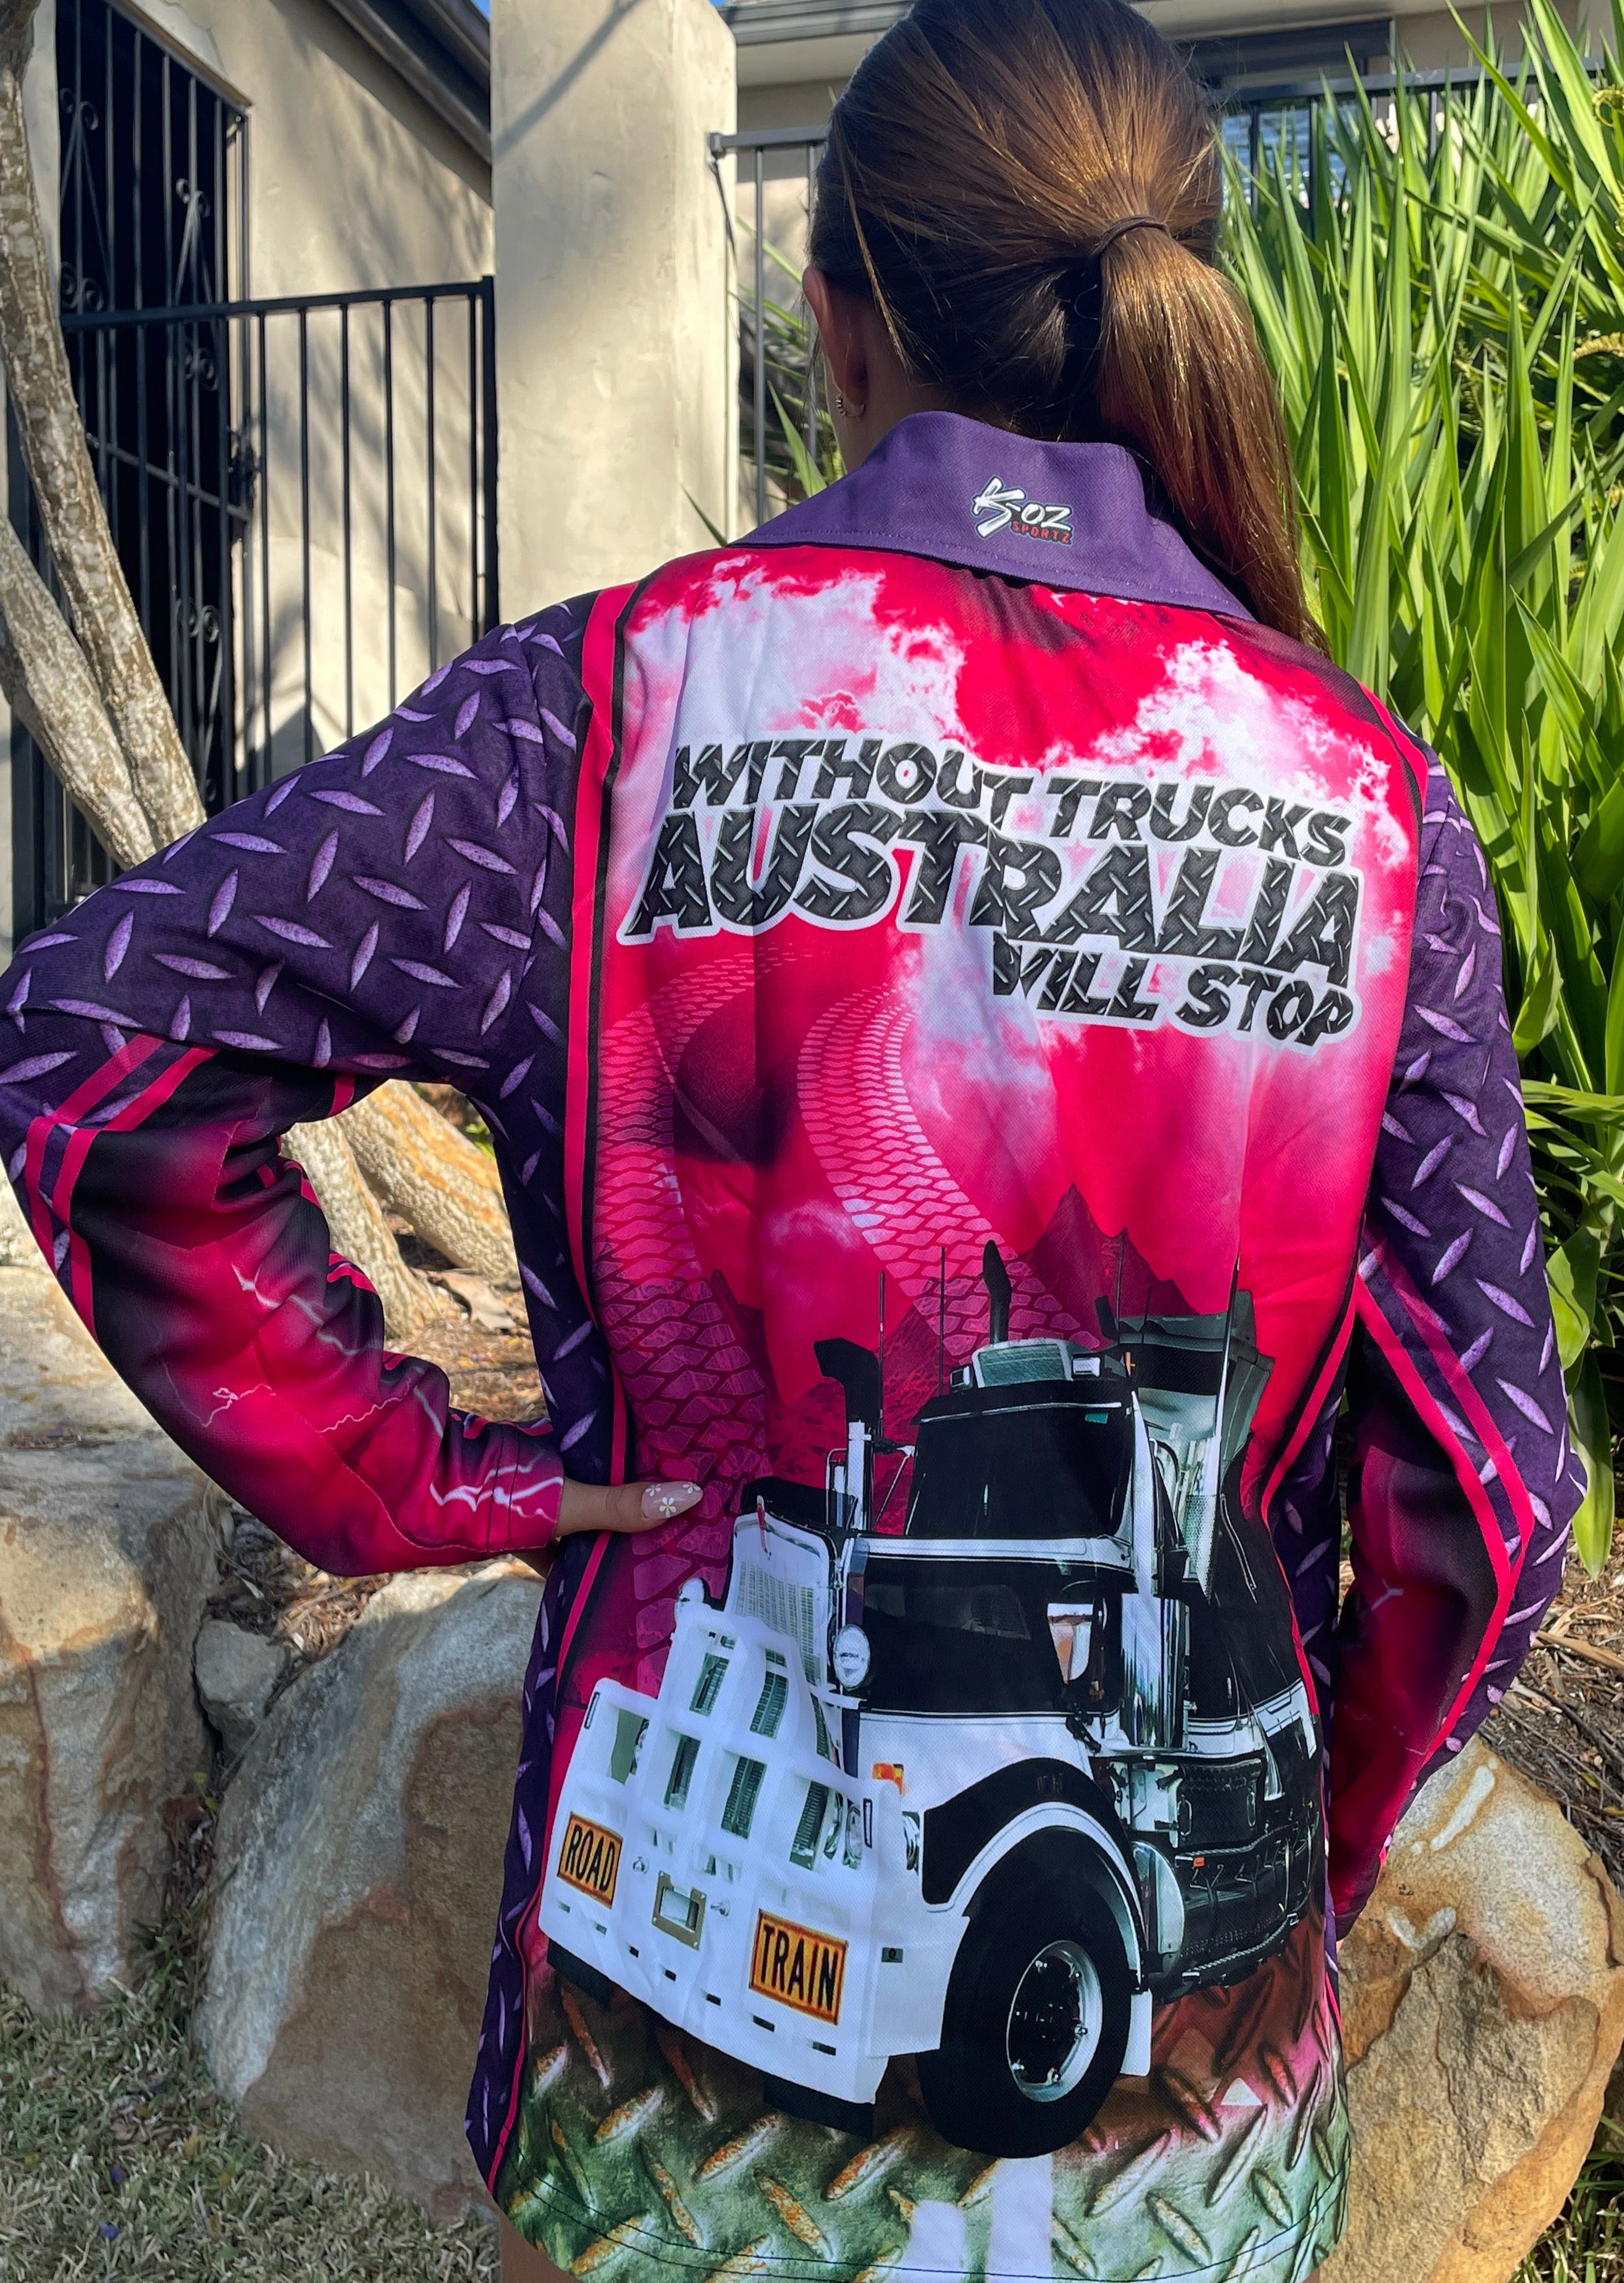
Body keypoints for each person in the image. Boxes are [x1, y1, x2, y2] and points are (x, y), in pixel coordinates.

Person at [0, 0, 1579, 2275]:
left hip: (644, 2129)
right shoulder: (1371, 815)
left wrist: (417, 1476)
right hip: (1178, 2185)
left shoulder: (600, 719)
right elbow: (1491, 1507)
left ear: (834, 319)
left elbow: (107, 1045)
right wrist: (1294, 1883)